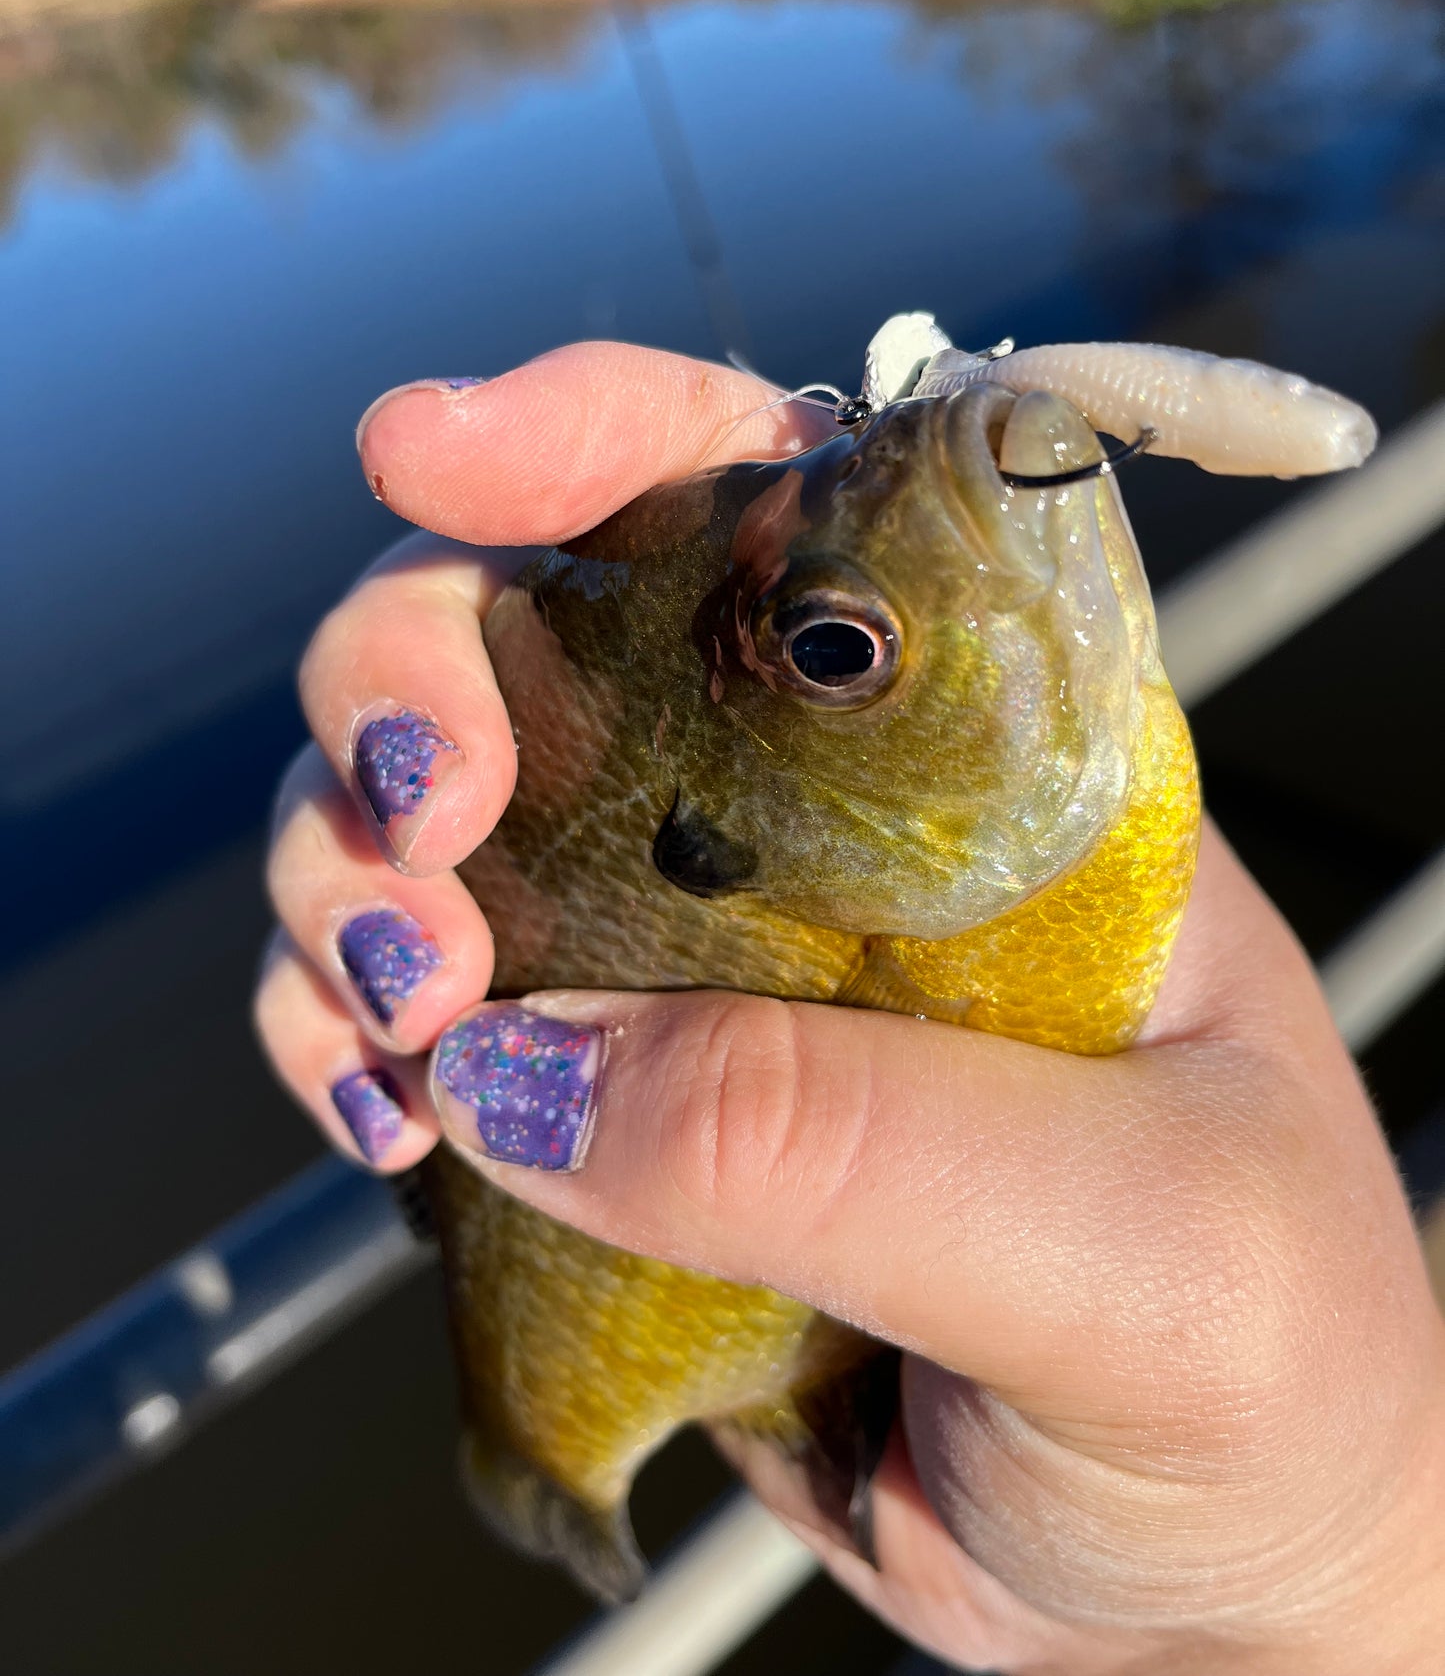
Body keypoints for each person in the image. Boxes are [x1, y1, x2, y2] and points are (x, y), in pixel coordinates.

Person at [256, 343, 1445, 1673]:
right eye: (839, 648)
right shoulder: (980, 851)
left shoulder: (987, 840)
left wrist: (1342, 1558)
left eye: (835, 643)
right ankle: (545, 1467)